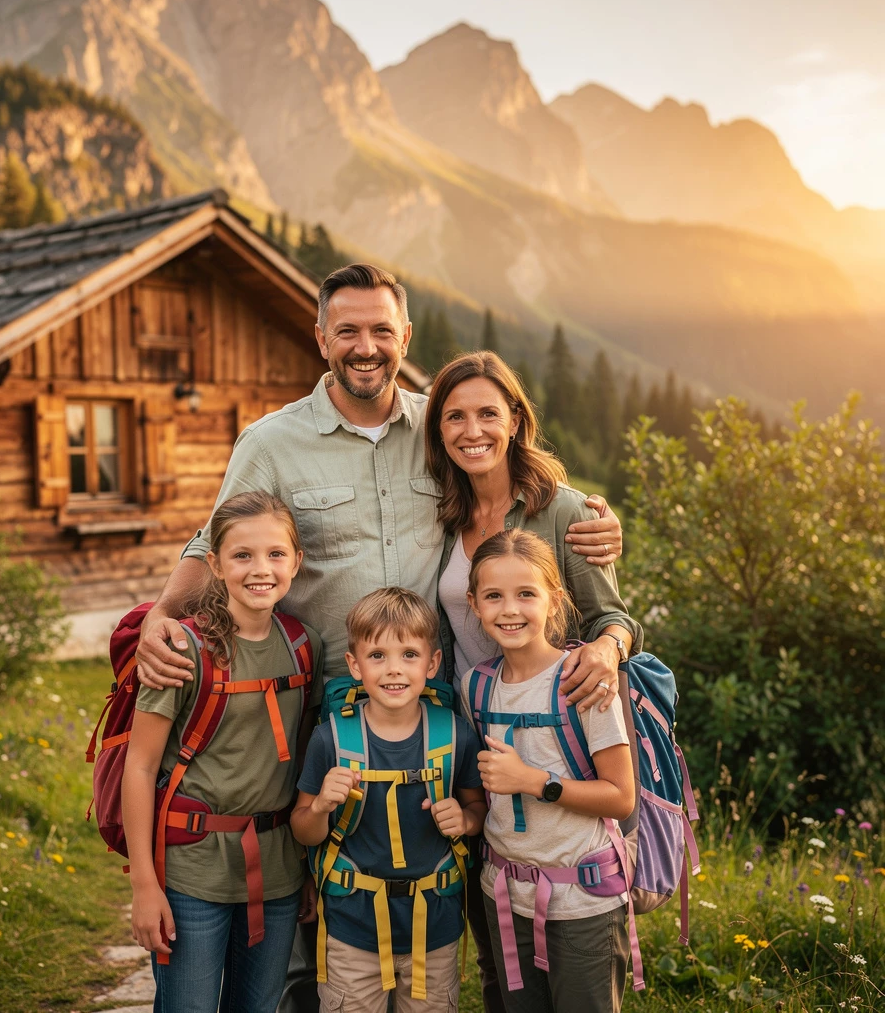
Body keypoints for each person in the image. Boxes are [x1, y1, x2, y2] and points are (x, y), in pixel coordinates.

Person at [133, 264, 623, 1012]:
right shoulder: (272, 441)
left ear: (405, 338)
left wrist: (595, 518)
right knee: (317, 888)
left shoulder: (436, 430)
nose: (366, 347)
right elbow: (214, 540)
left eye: (382, 332)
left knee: (439, 855)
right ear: (322, 335)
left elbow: (509, 487)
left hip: (437, 706)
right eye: (349, 331)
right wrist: (161, 617)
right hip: (315, 705)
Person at [426, 350, 642, 1012]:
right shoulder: (442, 513)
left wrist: (607, 649)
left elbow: (611, 613)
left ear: (516, 420)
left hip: (554, 724)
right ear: (437, 429)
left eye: (488, 413)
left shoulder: (564, 510)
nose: (472, 430)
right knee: (501, 943)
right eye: (454, 416)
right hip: (471, 722)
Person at [123, 491, 324, 1013]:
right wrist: (145, 885)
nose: (261, 569)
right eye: (242, 556)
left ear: (297, 561)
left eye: (276, 554)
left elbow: (299, 761)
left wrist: (302, 870)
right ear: (213, 564)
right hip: (191, 873)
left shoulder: (303, 645)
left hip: (278, 871)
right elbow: (140, 768)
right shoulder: (182, 650)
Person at [460, 529, 635, 1013]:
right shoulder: (476, 686)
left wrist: (536, 782)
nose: (509, 609)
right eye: (493, 596)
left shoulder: (582, 680)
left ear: (553, 600)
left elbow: (621, 797)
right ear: (474, 604)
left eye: (526, 594)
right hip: (505, 897)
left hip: (582, 900)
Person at [291, 588, 486, 1013]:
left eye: (409, 655)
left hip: (434, 929)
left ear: (432, 664)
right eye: (377, 655)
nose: (393, 669)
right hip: (352, 929)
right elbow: (302, 827)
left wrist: (467, 820)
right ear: (354, 665)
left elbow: (479, 810)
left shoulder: (455, 735)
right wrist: (322, 804)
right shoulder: (331, 740)